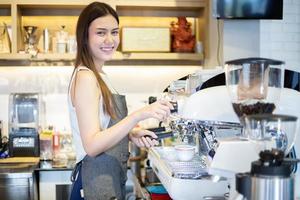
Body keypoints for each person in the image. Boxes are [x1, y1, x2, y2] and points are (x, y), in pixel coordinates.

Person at [68, 2, 173, 200]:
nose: (110, 40)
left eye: (114, 32)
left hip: (106, 181)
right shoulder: (86, 77)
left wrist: (131, 134)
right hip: (92, 184)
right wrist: (138, 115)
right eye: (101, 33)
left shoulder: (100, 75)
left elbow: (102, 128)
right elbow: (91, 145)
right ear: (85, 37)